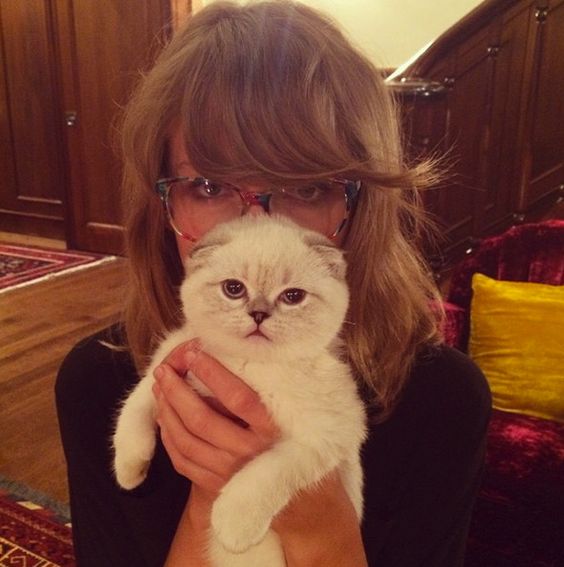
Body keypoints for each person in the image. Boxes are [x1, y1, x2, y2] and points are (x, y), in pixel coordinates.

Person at [55, 2, 491, 566]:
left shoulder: (443, 399)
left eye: (306, 188)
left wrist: (317, 520)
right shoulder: (96, 381)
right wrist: (210, 496)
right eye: (209, 187)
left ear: (362, 205)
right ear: (162, 203)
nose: (256, 230)